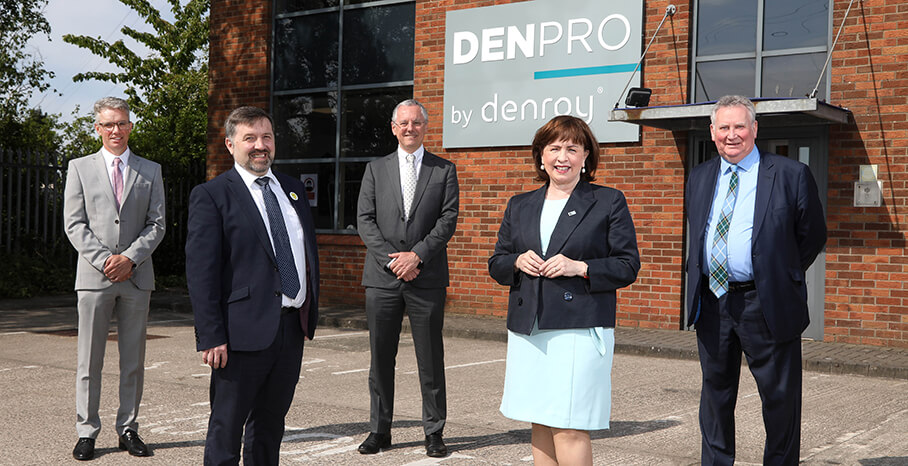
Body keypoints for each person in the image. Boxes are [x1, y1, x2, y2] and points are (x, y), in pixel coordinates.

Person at [488, 115, 640, 465]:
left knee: (570, 427)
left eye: (572, 148)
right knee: (540, 421)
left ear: (586, 156)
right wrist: (515, 262)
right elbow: (496, 262)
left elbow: (627, 264)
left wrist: (581, 267)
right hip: (531, 328)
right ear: (540, 156)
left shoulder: (608, 201)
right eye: (554, 148)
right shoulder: (520, 204)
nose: (563, 157)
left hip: (579, 330)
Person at [686, 95, 827, 465]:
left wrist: (777, 275)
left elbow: (812, 235)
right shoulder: (699, 177)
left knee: (780, 402)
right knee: (714, 399)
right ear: (712, 132)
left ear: (754, 130)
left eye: (739, 126)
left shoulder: (789, 174)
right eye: (724, 127)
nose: (732, 135)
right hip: (713, 303)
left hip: (766, 304)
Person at [185, 106, 320, 465]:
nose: (260, 145)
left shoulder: (292, 189)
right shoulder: (212, 195)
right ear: (230, 145)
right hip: (241, 333)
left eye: (267, 137)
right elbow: (202, 272)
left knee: (270, 426)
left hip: (290, 329)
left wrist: (309, 311)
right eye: (250, 138)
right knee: (226, 429)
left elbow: (304, 252)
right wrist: (211, 334)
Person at [63, 96, 166, 461]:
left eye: (121, 123)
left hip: (137, 279)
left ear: (130, 126)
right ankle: (86, 431)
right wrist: (108, 260)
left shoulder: (150, 170)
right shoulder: (79, 168)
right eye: (108, 124)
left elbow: (157, 224)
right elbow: (74, 224)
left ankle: (129, 429)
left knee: (133, 359)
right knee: (89, 360)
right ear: (97, 128)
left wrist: (130, 259)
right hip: (94, 277)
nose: (115, 130)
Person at [355, 99, 459, 458]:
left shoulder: (444, 170)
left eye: (416, 122)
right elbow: (365, 220)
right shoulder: (375, 168)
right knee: (380, 359)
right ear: (393, 127)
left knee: (430, 359)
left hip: (426, 276)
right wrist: (393, 261)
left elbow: (447, 220)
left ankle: (434, 432)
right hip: (382, 280)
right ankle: (379, 430)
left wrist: (417, 256)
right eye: (404, 123)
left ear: (425, 127)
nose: (410, 128)